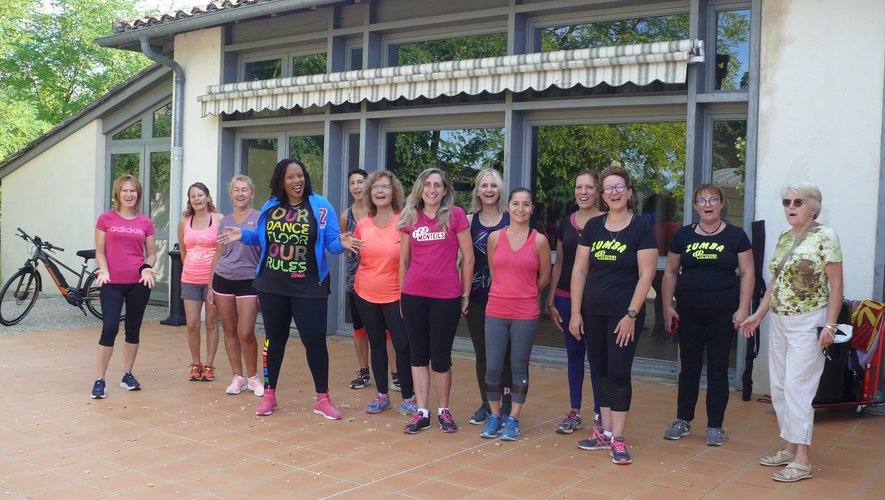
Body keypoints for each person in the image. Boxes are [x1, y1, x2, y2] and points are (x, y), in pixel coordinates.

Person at [219, 159, 362, 419]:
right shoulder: (271, 205)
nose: (297, 181)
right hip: (272, 284)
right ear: (281, 182)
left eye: (300, 176)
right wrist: (243, 235)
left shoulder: (320, 206)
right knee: (275, 340)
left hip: (309, 285)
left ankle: (323, 399)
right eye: (290, 177)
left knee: (315, 340)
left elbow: (331, 242)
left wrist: (343, 242)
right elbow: (262, 238)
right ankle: (270, 394)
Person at [740, 182, 842, 483]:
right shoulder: (785, 237)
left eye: (798, 202)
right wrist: (758, 315)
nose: (791, 207)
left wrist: (831, 325)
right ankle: (789, 446)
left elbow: (836, 285)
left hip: (809, 321)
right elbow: (776, 282)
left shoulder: (826, 237)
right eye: (786, 202)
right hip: (781, 321)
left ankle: (802, 459)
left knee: (799, 388)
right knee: (781, 388)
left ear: (813, 207)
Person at [569, 165, 657, 465]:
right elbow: (580, 270)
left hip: (624, 315)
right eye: (608, 188)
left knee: (619, 372)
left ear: (629, 192)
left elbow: (646, 276)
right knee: (601, 370)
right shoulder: (593, 227)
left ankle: (618, 438)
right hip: (593, 312)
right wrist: (576, 312)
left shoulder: (642, 227)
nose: (614, 193)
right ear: (603, 195)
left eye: (619, 187)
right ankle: (603, 432)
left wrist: (631, 314)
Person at [661, 183, 754, 446]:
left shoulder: (736, 236)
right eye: (702, 201)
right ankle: (683, 420)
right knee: (688, 368)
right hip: (689, 312)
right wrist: (668, 306)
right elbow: (670, 271)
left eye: (713, 199)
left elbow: (748, 272)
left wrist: (742, 308)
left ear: (722, 203)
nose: (708, 204)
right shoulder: (683, 236)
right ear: (695, 206)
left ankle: (715, 425)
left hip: (722, 314)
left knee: (717, 369)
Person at [398, 167, 474, 434]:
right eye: (427, 185)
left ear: (445, 191)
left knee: (441, 357)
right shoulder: (410, 217)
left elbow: (469, 258)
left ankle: (444, 411)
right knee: (418, 355)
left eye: (437, 185)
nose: (432, 190)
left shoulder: (455, 216)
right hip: (414, 295)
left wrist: (465, 294)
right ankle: (422, 412)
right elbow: (404, 260)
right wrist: (401, 294)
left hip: (447, 296)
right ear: (420, 188)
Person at [479, 188, 551, 441]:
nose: (521, 209)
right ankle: (495, 417)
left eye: (526, 204)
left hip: (525, 312)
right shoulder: (495, 237)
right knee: (494, 366)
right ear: (508, 207)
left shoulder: (539, 240)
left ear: (532, 209)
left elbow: (544, 277)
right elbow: (494, 271)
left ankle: (514, 419)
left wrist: (527, 293)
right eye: (516, 204)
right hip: (496, 309)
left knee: (518, 366)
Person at [352, 170, 416, 415]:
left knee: (402, 344)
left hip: (396, 294)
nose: (380, 191)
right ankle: (381, 396)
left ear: (394, 192)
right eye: (376, 187)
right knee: (377, 342)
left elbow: (408, 262)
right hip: (365, 292)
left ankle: (409, 397)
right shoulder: (362, 225)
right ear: (370, 193)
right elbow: (359, 257)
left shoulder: (404, 224)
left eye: (385, 187)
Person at [546, 171, 604, 435]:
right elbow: (559, 263)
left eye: (589, 187)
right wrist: (550, 299)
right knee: (574, 355)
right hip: (567, 298)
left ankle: (602, 413)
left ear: (598, 191)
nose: (583, 192)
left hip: (597, 300)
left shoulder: (607, 222)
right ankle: (575, 411)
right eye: (579, 187)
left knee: (598, 358)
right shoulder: (565, 223)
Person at [91, 174, 157, 398]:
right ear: (117, 193)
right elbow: (100, 251)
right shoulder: (105, 219)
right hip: (111, 282)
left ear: (138, 194)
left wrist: (147, 268)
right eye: (125, 190)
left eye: (133, 191)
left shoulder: (145, 222)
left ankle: (127, 374)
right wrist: (104, 269)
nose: (129, 195)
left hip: (138, 283)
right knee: (109, 327)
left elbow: (151, 254)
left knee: (133, 328)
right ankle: (100, 379)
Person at [342, 169, 399, 391]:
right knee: (360, 328)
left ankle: (395, 374)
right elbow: (347, 247)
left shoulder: (385, 214)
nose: (356, 186)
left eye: (360, 182)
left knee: (388, 332)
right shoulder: (347, 215)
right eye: (352, 183)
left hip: (386, 282)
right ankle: (364, 371)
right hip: (356, 279)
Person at [208, 175, 264, 397]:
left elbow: (267, 253)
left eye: (244, 190)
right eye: (236, 190)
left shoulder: (261, 218)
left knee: (246, 332)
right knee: (230, 331)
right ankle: (238, 377)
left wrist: (263, 286)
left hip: (250, 282)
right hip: (224, 279)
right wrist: (210, 285)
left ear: (252, 194)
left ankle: (253, 377)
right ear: (231, 194)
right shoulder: (225, 221)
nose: (240, 194)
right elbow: (218, 253)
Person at [464, 168, 512, 425]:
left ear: (500, 189)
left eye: (494, 185)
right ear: (478, 190)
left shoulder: (511, 218)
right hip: (477, 296)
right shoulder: (469, 221)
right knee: (482, 353)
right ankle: (486, 403)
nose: (489, 190)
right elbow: (462, 259)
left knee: (505, 353)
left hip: (506, 296)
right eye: (484, 185)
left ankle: (506, 406)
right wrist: (463, 294)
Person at [179, 182, 224, 382]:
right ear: (189, 200)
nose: (196, 199)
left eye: (200, 195)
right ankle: (196, 364)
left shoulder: (219, 220)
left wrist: (213, 283)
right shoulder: (184, 222)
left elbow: (222, 252)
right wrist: (190, 268)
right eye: (192, 196)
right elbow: (183, 250)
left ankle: (209, 365)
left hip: (212, 281)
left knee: (212, 324)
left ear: (207, 196)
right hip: (189, 279)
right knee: (192, 324)